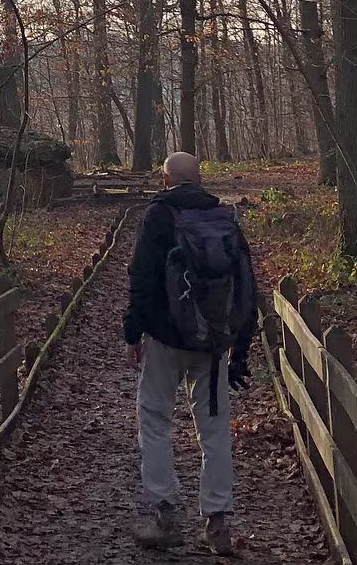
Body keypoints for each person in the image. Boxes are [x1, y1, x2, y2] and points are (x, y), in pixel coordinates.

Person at [123, 151, 258, 557]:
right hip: (213, 343)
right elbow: (248, 285)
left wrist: (133, 332)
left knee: (154, 418)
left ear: (165, 180)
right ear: (198, 180)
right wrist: (239, 347)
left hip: (165, 340)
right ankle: (217, 524)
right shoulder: (223, 217)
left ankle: (166, 516)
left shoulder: (158, 215)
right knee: (214, 430)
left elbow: (141, 276)